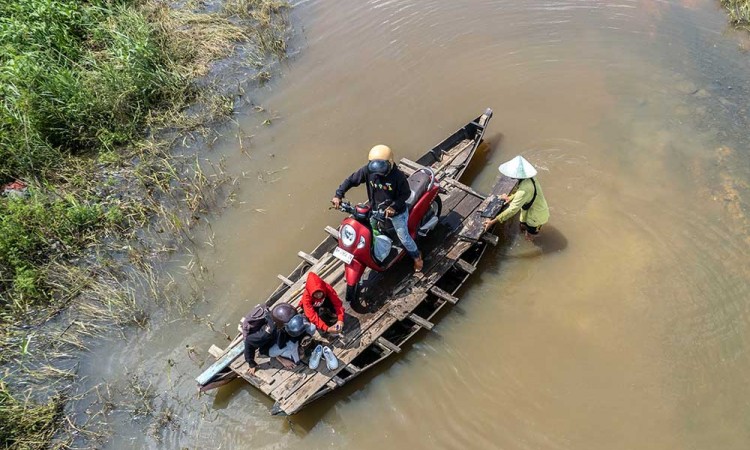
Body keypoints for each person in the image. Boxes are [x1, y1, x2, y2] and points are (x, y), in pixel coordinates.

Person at [331, 145, 424, 271]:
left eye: (382, 167)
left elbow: (405, 194)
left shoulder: (398, 176)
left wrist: (394, 207)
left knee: (404, 238)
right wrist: (338, 194)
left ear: (390, 163)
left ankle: (417, 257)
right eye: (375, 167)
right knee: (372, 231)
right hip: (375, 210)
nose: (379, 172)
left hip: (397, 213)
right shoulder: (368, 171)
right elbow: (351, 180)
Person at [483, 155, 549, 240]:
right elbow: (523, 193)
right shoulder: (530, 178)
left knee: (530, 235)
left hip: (537, 216)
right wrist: (509, 198)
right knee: (522, 225)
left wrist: (492, 222)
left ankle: (532, 239)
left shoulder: (525, 188)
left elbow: (512, 210)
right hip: (529, 209)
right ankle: (526, 231)